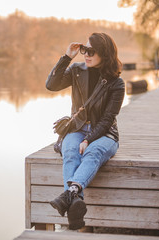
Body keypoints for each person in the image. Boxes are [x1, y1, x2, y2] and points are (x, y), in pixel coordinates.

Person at [45, 32, 125, 230]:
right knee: (70, 152)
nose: (86, 55)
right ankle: (74, 202)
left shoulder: (116, 83)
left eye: (91, 51)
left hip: (104, 133)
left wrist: (89, 139)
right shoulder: (77, 70)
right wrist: (66, 57)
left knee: (92, 153)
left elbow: (107, 119)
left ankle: (69, 195)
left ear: (105, 54)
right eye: (84, 50)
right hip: (77, 128)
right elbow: (51, 85)